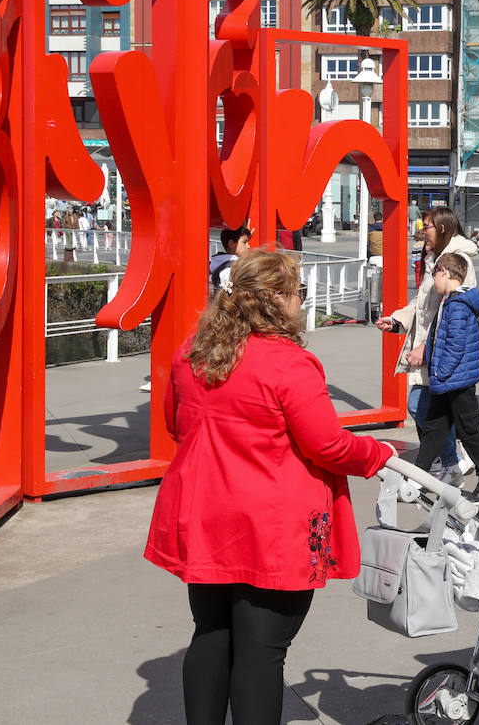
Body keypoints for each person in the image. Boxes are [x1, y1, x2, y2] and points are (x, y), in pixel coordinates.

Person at [145, 251, 394, 725]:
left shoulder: (193, 351)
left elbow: (176, 424)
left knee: (212, 633)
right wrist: (379, 454)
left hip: (205, 514)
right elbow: (328, 446)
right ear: (277, 301)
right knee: (262, 651)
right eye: (297, 292)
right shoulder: (290, 364)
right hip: (272, 526)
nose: (301, 301)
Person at [377, 207, 478, 485]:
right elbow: (423, 306)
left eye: (427, 227)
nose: (423, 233)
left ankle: (458, 463)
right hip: (433, 349)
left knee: (425, 407)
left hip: (447, 352)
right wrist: (396, 320)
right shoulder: (436, 258)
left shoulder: (459, 261)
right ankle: (456, 462)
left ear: (442, 228)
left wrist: (425, 345)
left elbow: (451, 311)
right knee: (436, 411)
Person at [417, 252, 479, 504]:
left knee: (469, 430)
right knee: (434, 428)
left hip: (456, 380)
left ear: (444, 272)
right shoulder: (453, 301)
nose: (433, 281)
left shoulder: (456, 304)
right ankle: (415, 479)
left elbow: (455, 345)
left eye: (433, 275)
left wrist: (441, 371)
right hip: (450, 380)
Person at [209, 225, 252, 292]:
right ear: (231, 243)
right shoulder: (230, 269)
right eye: (244, 242)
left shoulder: (220, 264)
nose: (248, 246)